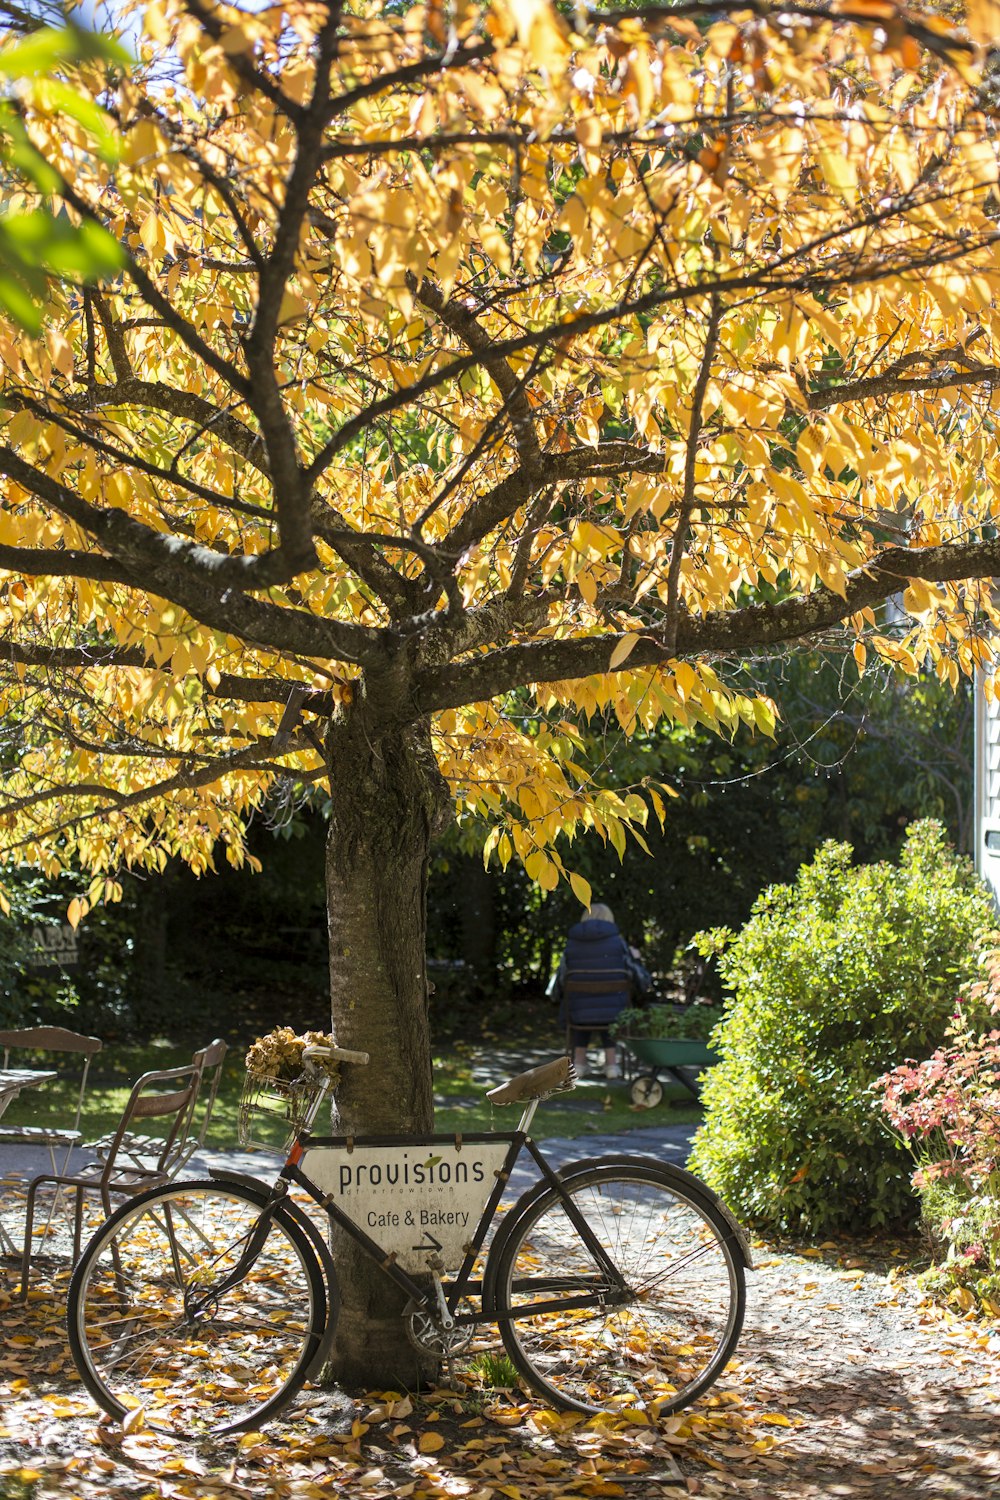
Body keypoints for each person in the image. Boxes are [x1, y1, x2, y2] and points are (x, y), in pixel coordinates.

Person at [548, 902, 651, 1080]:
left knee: (582, 1005)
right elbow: (640, 978)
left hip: (578, 1012)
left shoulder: (572, 944)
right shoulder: (619, 943)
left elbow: (561, 977)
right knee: (608, 1005)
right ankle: (611, 1065)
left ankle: (578, 1064)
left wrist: (555, 996)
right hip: (614, 1011)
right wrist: (638, 960)